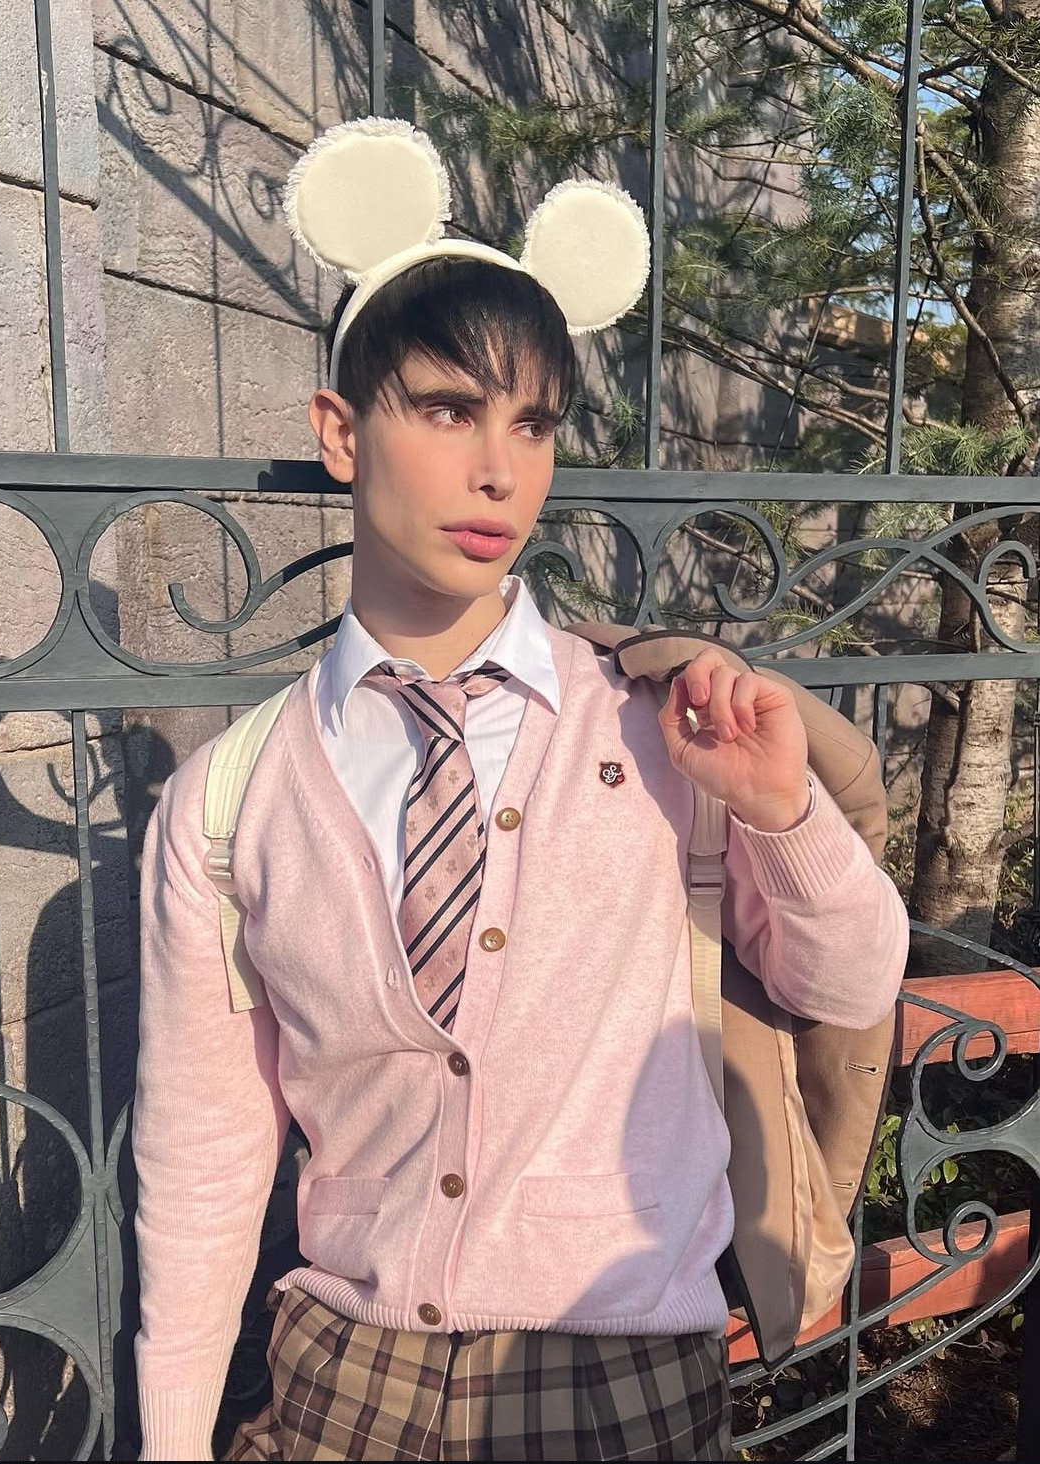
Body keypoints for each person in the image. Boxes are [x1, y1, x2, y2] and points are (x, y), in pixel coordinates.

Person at [131, 119, 908, 1462]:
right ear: (341, 431)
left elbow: (851, 983)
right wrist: (171, 1439)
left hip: (623, 1380)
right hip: (348, 1385)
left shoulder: (662, 729)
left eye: (533, 424)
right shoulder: (228, 799)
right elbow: (203, 1153)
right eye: (447, 410)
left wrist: (781, 815)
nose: (500, 469)